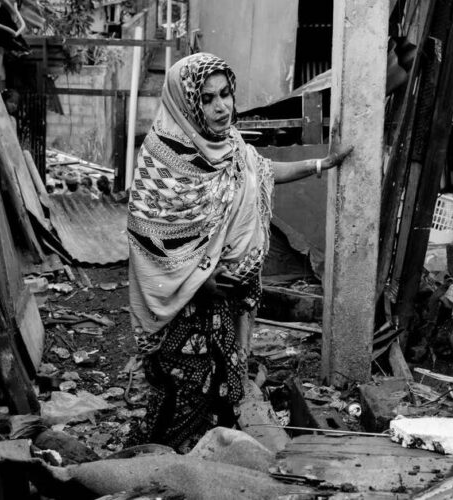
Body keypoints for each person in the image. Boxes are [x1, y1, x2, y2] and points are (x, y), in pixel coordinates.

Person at [125, 53, 350, 452]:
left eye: (225, 94)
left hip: (229, 299)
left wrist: (320, 164)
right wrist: (200, 278)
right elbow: (149, 235)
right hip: (185, 307)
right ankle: (166, 465)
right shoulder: (162, 157)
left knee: (226, 385)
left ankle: (213, 464)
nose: (221, 106)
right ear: (188, 103)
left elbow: (261, 171)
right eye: (208, 98)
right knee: (185, 392)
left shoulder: (230, 145)